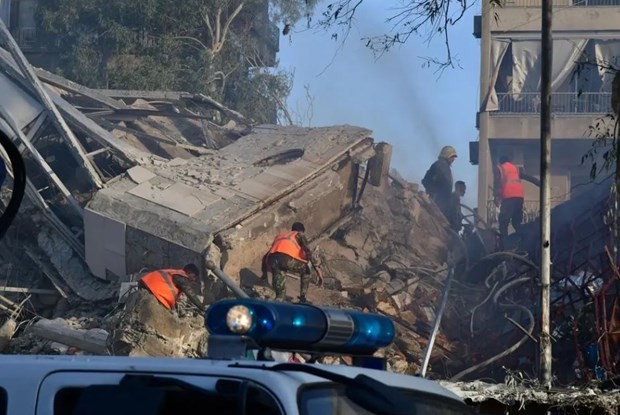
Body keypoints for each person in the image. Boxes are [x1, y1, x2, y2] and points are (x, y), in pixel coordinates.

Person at [261, 222, 324, 303]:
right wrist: (319, 273)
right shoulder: (299, 235)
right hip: (286, 259)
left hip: (273, 260)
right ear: (301, 231)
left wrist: (264, 273)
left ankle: (279, 300)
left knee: (280, 292)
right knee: (306, 270)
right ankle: (303, 298)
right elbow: (309, 252)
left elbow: (266, 255)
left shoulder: (280, 236)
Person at [494, 154, 540, 247]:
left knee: (503, 222)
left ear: (501, 161)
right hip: (519, 198)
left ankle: (505, 246)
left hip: (508, 197)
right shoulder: (515, 169)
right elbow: (528, 177)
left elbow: (498, 185)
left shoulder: (500, 168)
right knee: (516, 222)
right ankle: (525, 240)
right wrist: (539, 183)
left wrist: (496, 197)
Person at [138, 263, 204, 312]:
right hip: (153, 291)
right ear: (189, 272)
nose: (194, 279)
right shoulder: (181, 276)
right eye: (194, 276)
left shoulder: (173, 272)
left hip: (146, 284)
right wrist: (202, 308)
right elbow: (190, 293)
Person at [422, 146, 457, 220]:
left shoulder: (441, 165)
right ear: (447, 155)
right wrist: (434, 192)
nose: (453, 159)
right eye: (452, 157)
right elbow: (445, 184)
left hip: (440, 200)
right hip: (438, 201)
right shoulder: (442, 165)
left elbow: (425, 180)